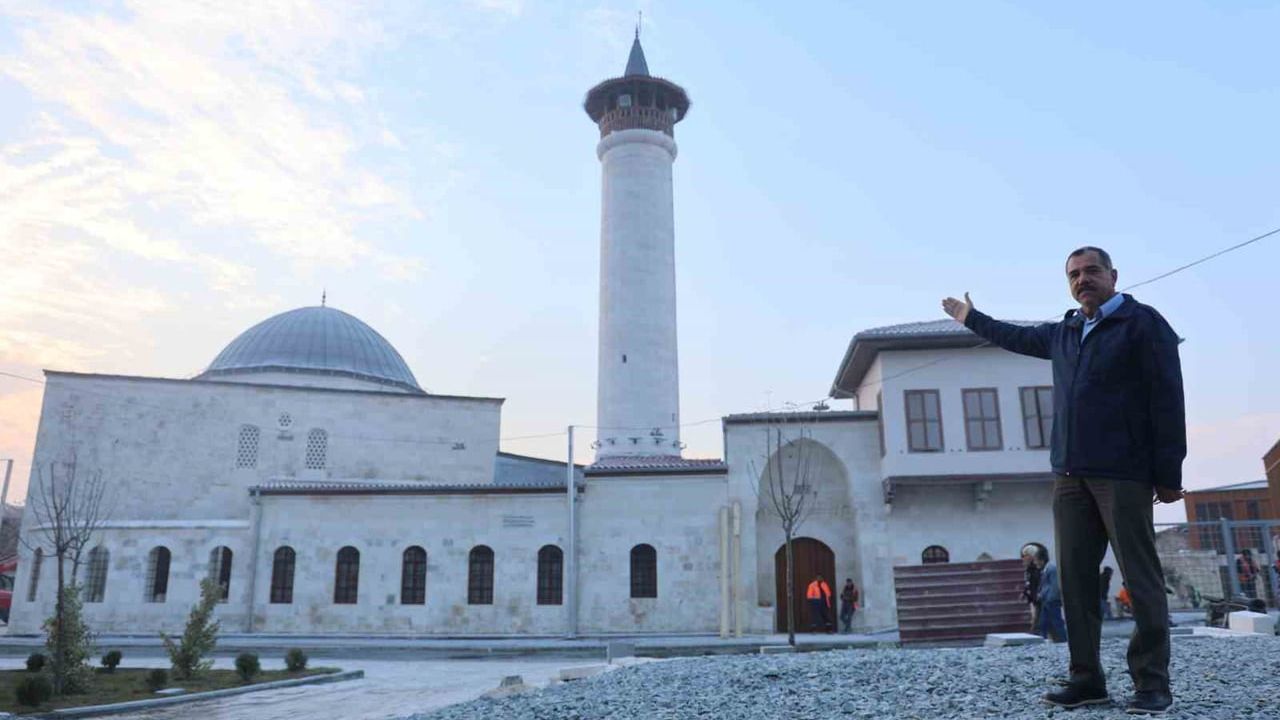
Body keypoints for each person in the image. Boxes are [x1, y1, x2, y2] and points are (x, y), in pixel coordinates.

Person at [943, 246, 1185, 715]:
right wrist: (971, 316)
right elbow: (1013, 336)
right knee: (1074, 582)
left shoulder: (1143, 324)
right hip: (1070, 475)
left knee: (1142, 577)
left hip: (1125, 474)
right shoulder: (1066, 331)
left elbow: (1168, 398)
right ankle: (1086, 679)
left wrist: (1168, 472)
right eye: (1074, 274)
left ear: (1113, 275)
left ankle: (1152, 682)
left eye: (1091, 271)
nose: (1082, 280)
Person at [1036, 547, 1067, 642]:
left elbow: (1055, 586)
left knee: (1056, 621)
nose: (1035, 563)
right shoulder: (1046, 569)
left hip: (1051, 601)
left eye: (1036, 560)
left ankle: (1063, 640)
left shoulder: (1051, 569)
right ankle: (1043, 639)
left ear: (1041, 560)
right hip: (1047, 600)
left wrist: (1050, 598)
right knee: (1043, 623)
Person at [1021, 544, 1043, 633]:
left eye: (1026, 556)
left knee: (1037, 620)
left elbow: (1038, 583)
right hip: (1034, 598)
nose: (1024, 558)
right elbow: (1029, 583)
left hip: (1038, 598)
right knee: (1036, 619)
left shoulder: (1036, 569)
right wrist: (1024, 592)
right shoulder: (1029, 569)